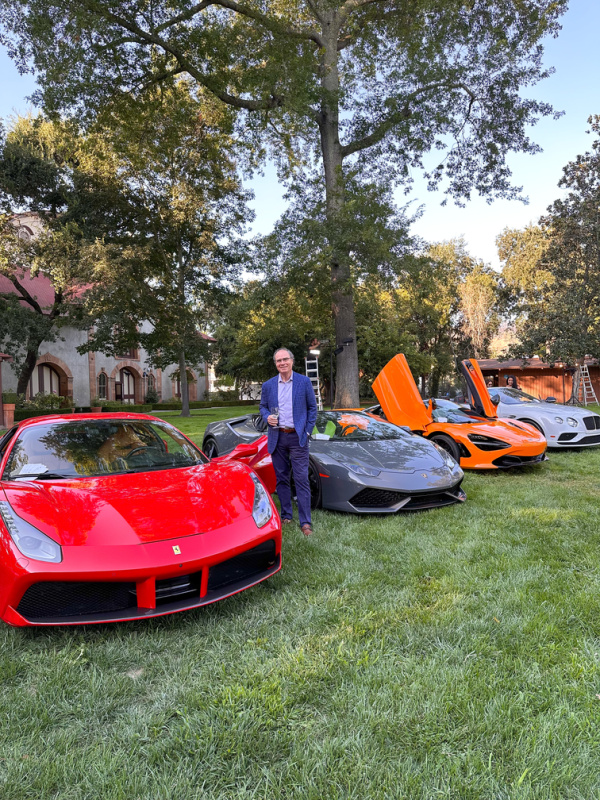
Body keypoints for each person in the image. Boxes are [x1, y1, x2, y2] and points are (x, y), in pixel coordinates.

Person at [260, 347, 318, 536]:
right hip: (277, 437)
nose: (282, 363)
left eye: (285, 359)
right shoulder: (268, 385)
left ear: (292, 361)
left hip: (298, 437)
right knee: (282, 478)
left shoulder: (303, 382)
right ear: (275, 364)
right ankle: (286, 515)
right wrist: (267, 416)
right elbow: (262, 407)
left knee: (301, 479)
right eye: (278, 361)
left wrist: (307, 433)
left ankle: (305, 522)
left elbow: (312, 409)